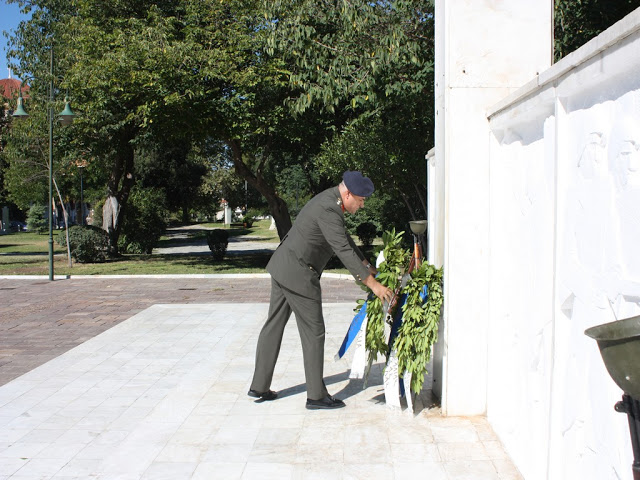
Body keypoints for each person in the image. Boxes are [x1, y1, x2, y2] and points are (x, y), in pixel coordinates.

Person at [248, 171, 393, 409]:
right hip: (299, 272)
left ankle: (259, 386)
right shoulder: (329, 208)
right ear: (347, 194)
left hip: (284, 265)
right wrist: (373, 285)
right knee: (314, 331)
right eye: (360, 199)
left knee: (273, 325)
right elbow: (342, 250)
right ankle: (316, 396)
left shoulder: (331, 202)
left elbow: (344, 240)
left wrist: (368, 266)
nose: (362, 205)